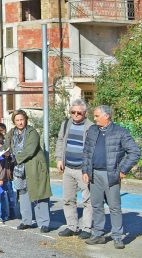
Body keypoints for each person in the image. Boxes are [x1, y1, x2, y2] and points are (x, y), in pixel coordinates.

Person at [82, 105, 140, 249]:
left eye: (96, 116)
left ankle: (117, 237)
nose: (94, 119)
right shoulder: (92, 130)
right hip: (94, 174)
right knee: (96, 205)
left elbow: (135, 152)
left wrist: (123, 171)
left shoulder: (120, 132)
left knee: (114, 207)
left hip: (111, 175)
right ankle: (98, 235)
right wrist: (85, 171)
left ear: (106, 116)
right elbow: (86, 152)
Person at [7, 110, 52, 232]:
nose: (20, 122)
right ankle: (26, 221)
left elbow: (30, 150)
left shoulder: (32, 132)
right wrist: (3, 152)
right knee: (23, 194)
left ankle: (44, 223)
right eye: (17, 120)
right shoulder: (11, 133)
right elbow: (6, 146)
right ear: (14, 122)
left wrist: (16, 158)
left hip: (34, 167)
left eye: (22, 119)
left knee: (39, 194)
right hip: (19, 169)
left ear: (26, 119)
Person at [55, 99, 94, 239]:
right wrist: (59, 159)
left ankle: (87, 228)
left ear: (85, 113)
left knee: (88, 201)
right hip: (68, 168)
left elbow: (92, 150)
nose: (76, 115)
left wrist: (88, 169)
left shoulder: (91, 127)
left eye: (79, 112)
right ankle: (72, 226)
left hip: (83, 170)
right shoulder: (65, 124)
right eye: (73, 112)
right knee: (68, 199)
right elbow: (60, 141)